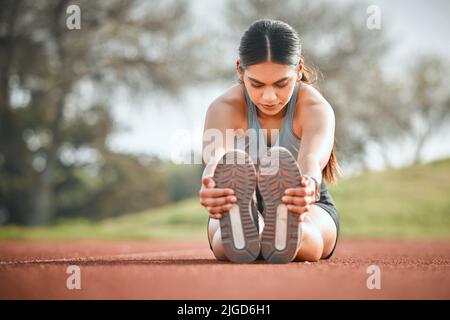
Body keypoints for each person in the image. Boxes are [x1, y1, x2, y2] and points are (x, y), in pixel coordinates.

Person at [199, 19, 342, 264]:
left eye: (281, 84)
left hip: (303, 200)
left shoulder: (316, 108)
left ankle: (283, 226)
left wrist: (307, 185)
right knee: (225, 246)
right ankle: (252, 224)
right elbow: (217, 157)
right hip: (237, 201)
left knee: (310, 243)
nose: (269, 97)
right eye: (256, 84)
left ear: (298, 70)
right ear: (239, 70)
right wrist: (211, 184)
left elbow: (310, 160)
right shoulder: (224, 107)